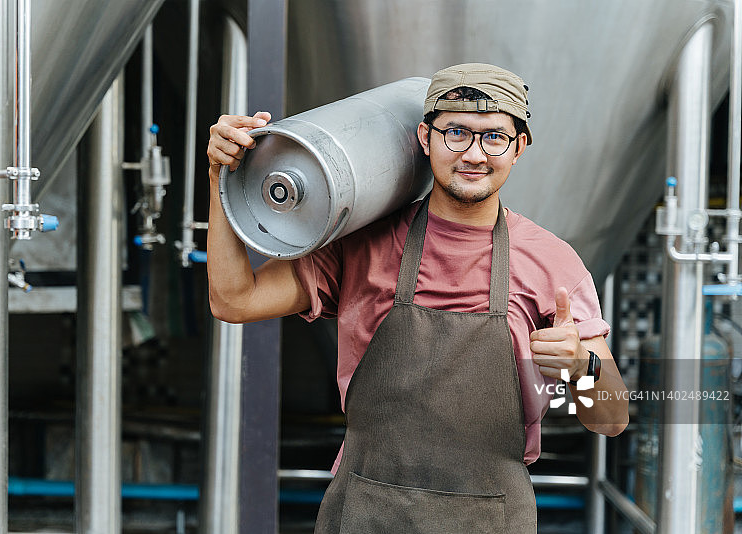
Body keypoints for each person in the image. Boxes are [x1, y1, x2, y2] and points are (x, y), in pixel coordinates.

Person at [206, 63, 629, 533]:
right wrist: (222, 178)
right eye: (456, 133)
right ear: (425, 138)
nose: (474, 154)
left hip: (489, 519)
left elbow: (609, 420)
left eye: (494, 137)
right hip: (365, 513)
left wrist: (581, 369)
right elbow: (233, 300)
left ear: (519, 148)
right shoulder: (360, 242)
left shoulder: (552, 262)